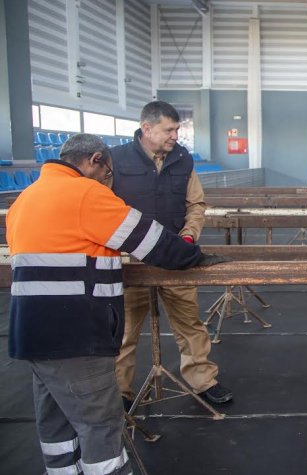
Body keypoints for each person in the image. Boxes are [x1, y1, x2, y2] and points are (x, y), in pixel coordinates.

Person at [6, 134, 228, 475]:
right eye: (107, 173)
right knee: (101, 423)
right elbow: (150, 242)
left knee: (57, 424)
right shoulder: (86, 193)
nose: (108, 180)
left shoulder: (26, 199)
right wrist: (193, 255)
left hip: (32, 334)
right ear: (95, 159)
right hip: (76, 334)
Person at [111, 101, 234, 407]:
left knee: (189, 323)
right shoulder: (116, 160)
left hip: (175, 259)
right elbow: (103, 207)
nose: (175, 135)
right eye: (169, 129)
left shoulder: (182, 159)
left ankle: (202, 380)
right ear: (147, 128)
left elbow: (196, 204)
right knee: (124, 329)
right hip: (130, 259)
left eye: (177, 129)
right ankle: (118, 390)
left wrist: (189, 236)